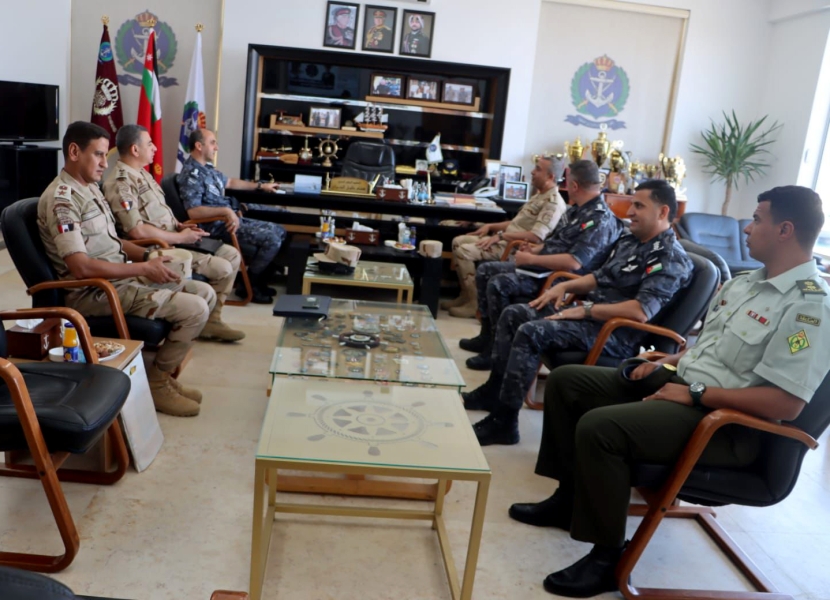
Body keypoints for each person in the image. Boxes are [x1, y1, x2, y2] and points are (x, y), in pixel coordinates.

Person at [512, 185, 830, 598]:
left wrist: (694, 393)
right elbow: (715, 349)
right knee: (569, 383)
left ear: (785, 230)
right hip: (689, 388)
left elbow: (784, 403)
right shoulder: (748, 283)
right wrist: (671, 361)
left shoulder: (809, 308)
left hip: (728, 428)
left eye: (757, 220)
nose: (747, 229)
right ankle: (567, 499)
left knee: (601, 428)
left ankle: (607, 558)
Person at [464, 179, 694, 445]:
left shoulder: (670, 257)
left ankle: (504, 422)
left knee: (530, 331)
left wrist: (585, 310)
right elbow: (599, 277)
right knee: (515, 314)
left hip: (615, 334)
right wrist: (565, 287)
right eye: (632, 204)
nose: (630, 212)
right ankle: (493, 392)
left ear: (663, 212)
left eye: (639, 206)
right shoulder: (634, 241)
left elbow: (640, 311)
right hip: (593, 318)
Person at [37, 121, 216, 418]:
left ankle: (162, 376)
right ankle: (158, 384)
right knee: (194, 308)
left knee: (205, 292)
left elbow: (113, 241)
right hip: (94, 293)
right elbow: (80, 267)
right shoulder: (62, 199)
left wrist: (149, 256)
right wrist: (142, 268)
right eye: (98, 155)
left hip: (118, 279)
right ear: (74, 152)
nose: (105, 163)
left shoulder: (89, 189)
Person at [460, 161, 623, 370]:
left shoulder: (600, 219)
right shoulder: (576, 210)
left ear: (574, 186)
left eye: (567, 182)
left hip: (560, 279)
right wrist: (534, 250)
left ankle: (496, 352)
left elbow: (574, 262)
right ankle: (487, 338)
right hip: (543, 269)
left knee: (499, 283)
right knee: (486, 270)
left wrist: (532, 260)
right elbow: (555, 243)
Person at [102, 124, 245, 343]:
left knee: (233, 254)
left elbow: (159, 214)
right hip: (156, 248)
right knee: (223, 268)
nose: (155, 148)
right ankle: (203, 321)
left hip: (172, 238)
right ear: (135, 149)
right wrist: (180, 238)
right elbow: (136, 231)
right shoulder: (121, 183)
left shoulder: (143, 174)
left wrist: (180, 226)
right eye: (150, 143)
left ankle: (212, 320)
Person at [442, 156, 567, 318]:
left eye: (538, 169)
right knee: (458, 241)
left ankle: (475, 304)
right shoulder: (539, 195)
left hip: (516, 248)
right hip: (506, 241)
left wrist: (501, 236)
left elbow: (536, 237)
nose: (532, 172)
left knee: (464, 251)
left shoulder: (553, 203)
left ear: (550, 176)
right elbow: (516, 224)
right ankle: (465, 296)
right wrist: (490, 227)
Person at [177, 129, 285, 304]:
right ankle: (249, 285)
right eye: (213, 143)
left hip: (228, 219)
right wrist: (226, 212)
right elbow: (193, 211)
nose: (217, 147)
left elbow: (229, 182)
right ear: (199, 146)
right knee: (272, 239)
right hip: (216, 226)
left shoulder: (207, 168)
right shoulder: (191, 174)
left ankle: (256, 281)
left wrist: (260, 186)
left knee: (280, 230)